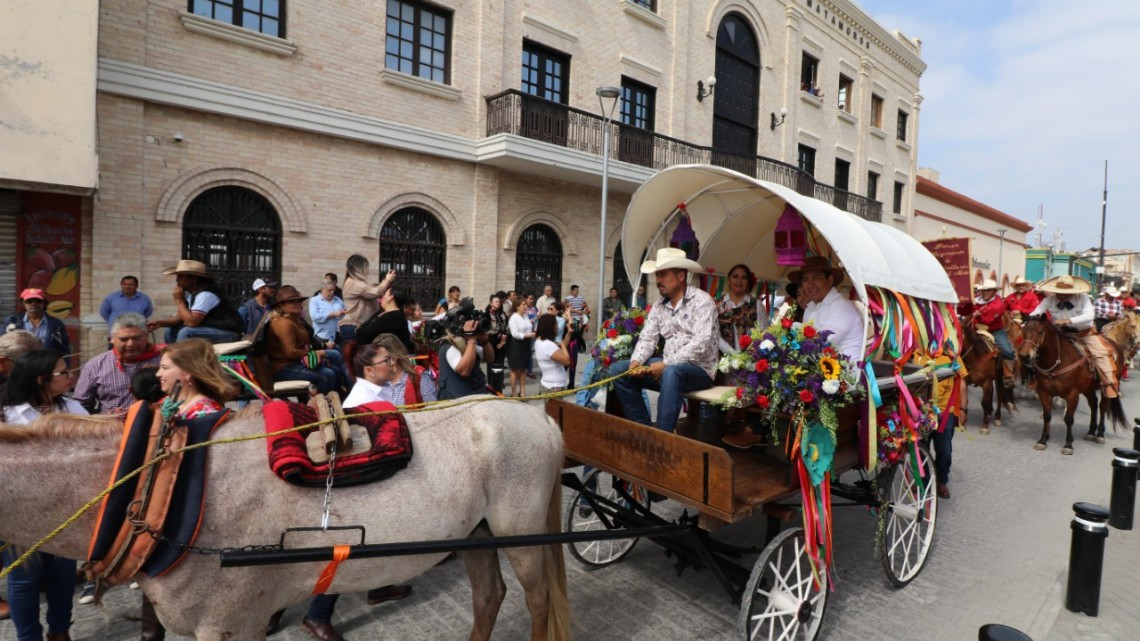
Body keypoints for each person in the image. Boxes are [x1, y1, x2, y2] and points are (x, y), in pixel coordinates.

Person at [301, 338, 420, 641]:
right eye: (387, 362)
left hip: (372, 482)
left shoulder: (374, 392)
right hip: (360, 489)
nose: (392, 365)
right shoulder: (366, 401)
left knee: (381, 539)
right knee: (348, 551)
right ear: (369, 369)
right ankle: (317, 615)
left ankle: (378, 586)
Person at [1, 349, 86, 641]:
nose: (70, 376)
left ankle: (60, 631)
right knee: (25, 579)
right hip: (19, 512)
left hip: (65, 508)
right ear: (41, 379)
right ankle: (29, 637)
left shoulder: (73, 410)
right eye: (63, 372)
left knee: (63, 574)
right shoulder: (7, 416)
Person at [610, 248, 718, 433]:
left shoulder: (702, 301)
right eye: (657, 275)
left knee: (671, 372)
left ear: (680, 276)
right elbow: (647, 338)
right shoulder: (659, 306)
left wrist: (666, 363)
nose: (658, 280)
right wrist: (637, 360)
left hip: (699, 371)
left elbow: (702, 342)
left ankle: (663, 436)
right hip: (669, 370)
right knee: (618, 370)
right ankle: (645, 432)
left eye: (663, 275)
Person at [1030, 275, 1120, 399]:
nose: (1060, 294)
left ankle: (1108, 383)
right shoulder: (1049, 299)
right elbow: (1037, 311)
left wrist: (1068, 320)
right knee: (1033, 349)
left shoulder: (1083, 299)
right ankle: (1033, 378)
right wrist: (1030, 320)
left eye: (1064, 292)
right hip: (1060, 334)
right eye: (1058, 291)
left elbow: (1089, 316)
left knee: (1101, 352)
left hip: (1084, 333)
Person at [73, 313, 162, 415]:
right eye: (124, 339)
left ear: (147, 336)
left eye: (137, 338)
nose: (130, 344)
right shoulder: (96, 365)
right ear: (111, 339)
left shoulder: (162, 361)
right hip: (110, 428)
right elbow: (80, 406)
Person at [265, 286, 348, 394]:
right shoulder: (283, 323)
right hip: (283, 368)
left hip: (295, 362)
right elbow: (290, 352)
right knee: (327, 375)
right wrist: (317, 352)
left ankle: (338, 401)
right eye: (291, 302)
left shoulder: (294, 319)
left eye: (298, 300)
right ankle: (320, 407)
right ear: (281, 305)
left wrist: (317, 352)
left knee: (335, 370)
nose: (297, 303)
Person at [146, 260, 243, 344]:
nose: (177, 280)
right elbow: (178, 319)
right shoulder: (190, 293)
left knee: (186, 332)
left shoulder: (205, 294)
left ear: (193, 279)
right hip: (211, 329)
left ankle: (181, 362)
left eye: (180, 277)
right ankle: (173, 357)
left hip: (229, 333)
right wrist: (160, 323)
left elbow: (192, 322)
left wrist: (179, 301)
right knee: (170, 331)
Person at [788, 256, 864, 363]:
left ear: (829, 280)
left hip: (848, 376)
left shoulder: (842, 307)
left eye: (816, 278)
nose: (810, 284)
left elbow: (821, 344)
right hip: (821, 373)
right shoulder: (811, 308)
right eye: (805, 280)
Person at [344, 336, 438, 408]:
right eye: (387, 360)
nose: (392, 362)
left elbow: (433, 410)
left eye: (391, 358)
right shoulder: (361, 402)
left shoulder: (418, 376)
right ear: (369, 370)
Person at [968, 279, 1017, 388]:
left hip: (994, 330)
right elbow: (963, 312)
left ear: (994, 291)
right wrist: (964, 302)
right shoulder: (976, 300)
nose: (985, 293)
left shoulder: (999, 304)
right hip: (975, 329)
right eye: (983, 291)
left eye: (988, 291)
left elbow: (988, 320)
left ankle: (1008, 374)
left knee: (1008, 351)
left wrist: (978, 314)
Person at [339, 254, 395, 343]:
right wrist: (387, 280)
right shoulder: (354, 283)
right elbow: (376, 292)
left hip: (357, 326)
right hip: (353, 326)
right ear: (360, 268)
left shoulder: (353, 282)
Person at [436, 318, 495, 401]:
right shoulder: (449, 345)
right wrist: (471, 340)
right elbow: (464, 371)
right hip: (455, 400)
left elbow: (490, 358)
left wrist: (484, 340)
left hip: (476, 395)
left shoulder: (468, 343)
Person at [2, 288, 69, 357]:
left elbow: (64, 349)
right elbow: (3, 346)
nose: (33, 304)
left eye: (38, 301)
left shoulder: (56, 324)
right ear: (23, 303)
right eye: (29, 301)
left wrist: (65, 366)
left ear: (44, 303)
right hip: (19, 365)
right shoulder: (12, 322)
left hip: (46, 365)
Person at [716, 264, 761, 353]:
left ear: (748, 282)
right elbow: (715, 335)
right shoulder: (717, 305)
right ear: (729, 280)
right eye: (735, 277)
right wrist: (732, 354)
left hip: (750, 360)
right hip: (723, 360)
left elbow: (763, 333)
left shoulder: (757, 304)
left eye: (744, 278)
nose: (739, 281)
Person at [355, 287, 415, 352]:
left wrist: (359, 330)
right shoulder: (382, 312)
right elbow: (364, 327)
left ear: (390, 298)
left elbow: (367, 332)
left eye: (385, 295)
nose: (382, 298)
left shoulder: (395, 316)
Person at [533, 314, 572, 393]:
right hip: (554, 386)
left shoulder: (539, 340)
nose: (557, 327)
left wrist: (569, 333)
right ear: (550, 327)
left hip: (550, 384)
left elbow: (559, 351)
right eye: (556, 324)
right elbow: (567, 361)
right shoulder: (548, 345)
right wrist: (562, 344)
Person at [507, 299, 535, 397]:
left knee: (523, 369)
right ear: (517, 306)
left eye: (526, 305)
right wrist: (527, 335)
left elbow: (529, 328)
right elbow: (515, 334)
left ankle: (522, 392)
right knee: (515, 369)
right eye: (523, 304)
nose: (526, 306)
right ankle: (514, 392)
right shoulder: (513, 318)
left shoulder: (526, 316)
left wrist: (531, 334)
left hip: (526, 344)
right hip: (516, 346)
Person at [309, 279, 347, 346]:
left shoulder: (338, 300)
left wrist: (343, 313)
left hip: (337, 335)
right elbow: (314, 316)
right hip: (322, 336)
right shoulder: (314, 300)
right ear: (322, 289)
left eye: (333, 290)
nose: (332, 292)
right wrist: (333, 314)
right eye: (329, 290)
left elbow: (345, 311)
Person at [484, 293, 509, 393]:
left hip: (502, 341)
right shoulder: (486, 314)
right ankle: (491, 383)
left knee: (500, 362)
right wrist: (495, 333)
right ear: (491, 303)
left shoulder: (502, 314)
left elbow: (506, 326)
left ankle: (499, 381)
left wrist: (504, 335)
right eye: (496, 302)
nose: (498, 303)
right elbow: (485, 328)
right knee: (491, 362)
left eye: (499, 302)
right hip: (491, 340)